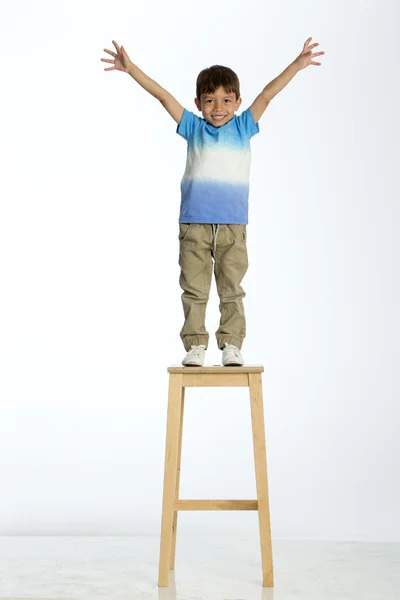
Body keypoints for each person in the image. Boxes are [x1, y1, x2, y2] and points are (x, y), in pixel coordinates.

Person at [101, 38, 325, 367]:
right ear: (199, 102)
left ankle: (231, 343)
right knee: (195, 288)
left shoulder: (244, 126)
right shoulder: (193, 127)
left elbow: (267, 94)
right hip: (194, 224)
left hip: (233, 225)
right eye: (210, 101)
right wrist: (131, 69)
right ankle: (195, 344)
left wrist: (296, 64)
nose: (218, 107)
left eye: (225, 100)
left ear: (237, 102)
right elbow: (163, 96)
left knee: (231, 288)